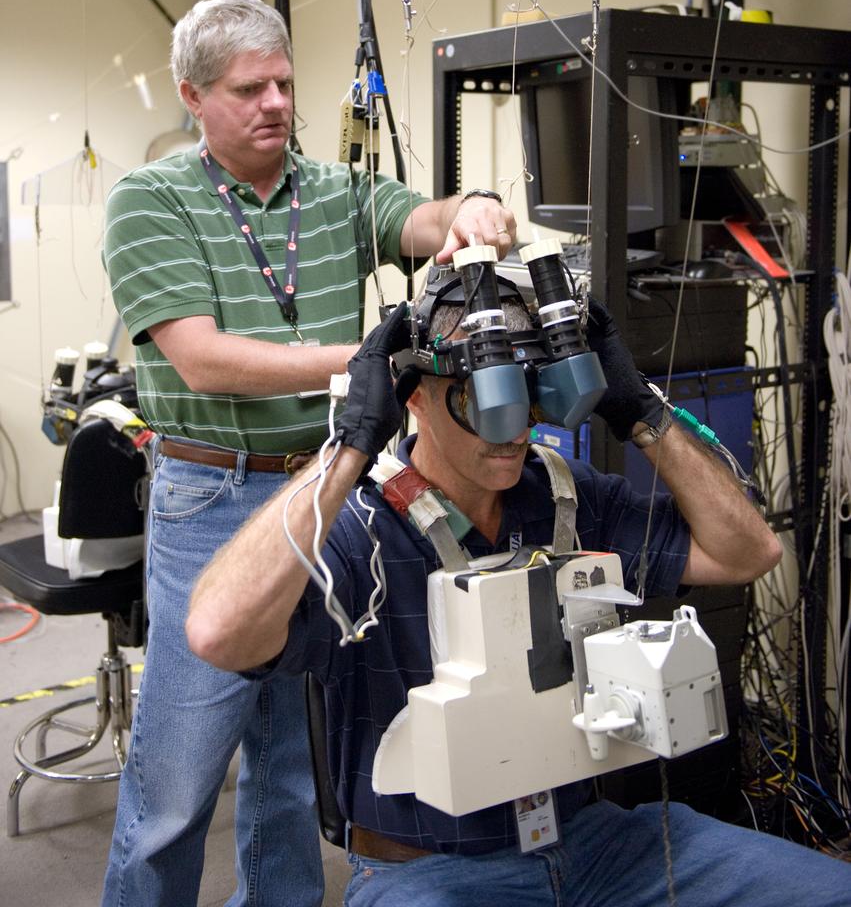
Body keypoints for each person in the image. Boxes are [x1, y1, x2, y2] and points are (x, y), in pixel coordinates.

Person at [186, 283, 851, 907]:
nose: (512, 428)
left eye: (528, 394)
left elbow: (748, 554)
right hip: (431, 870)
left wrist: (642, 413)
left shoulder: (565, 493)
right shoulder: (359, 530)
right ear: (414, 396)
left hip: (593, 844)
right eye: (482, 398)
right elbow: (218, 633)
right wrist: (349, 447)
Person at [101, 0, 517, 907]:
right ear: (194, 97)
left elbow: (418, 218)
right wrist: (368, 360)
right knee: (178, 780)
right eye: (249, 88)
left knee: (290, 766)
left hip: (324, 499)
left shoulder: (333, 191)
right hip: (211, 496)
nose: (275, 104)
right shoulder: (149, 200)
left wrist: (470, 209)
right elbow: (203, 360)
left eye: (285, 82)